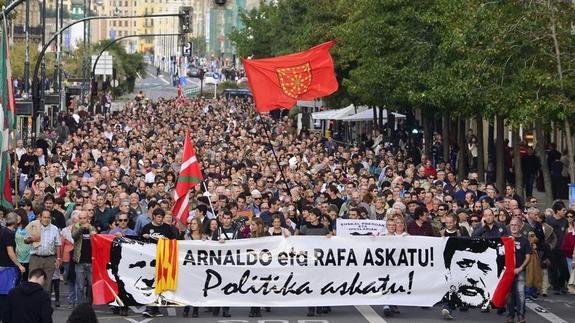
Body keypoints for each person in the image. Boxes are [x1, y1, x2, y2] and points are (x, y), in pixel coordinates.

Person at [441, 237, 506, 317]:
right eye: (464, 265)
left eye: (484, 268)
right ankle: (449, 306)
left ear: (499, 275)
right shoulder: (431, 299)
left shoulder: (502, 305)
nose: (473, 278)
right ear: (448, 272)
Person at [299, 208, 331, 317]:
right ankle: (311, 307)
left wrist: (329, 237)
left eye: (312, 215)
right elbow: (300, 242)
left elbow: (329, 243)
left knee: (320, 283)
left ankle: (320, 305)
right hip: (309, 260)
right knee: (310, 284)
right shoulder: (304, 228)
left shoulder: (324, 228)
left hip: (320, 261)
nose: (310, 217)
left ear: (317, 217)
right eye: (310, 215)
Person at [24, 209, 62, 292]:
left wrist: (58, 259)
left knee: (47, 283)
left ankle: (45, 303)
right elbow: (25, 240)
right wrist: (31, 239)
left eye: (48, 217)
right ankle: (32, 303)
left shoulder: (54, 228)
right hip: (36, 258)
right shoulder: (34, 226)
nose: (46, 219)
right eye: (44, 217)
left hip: (50, 258)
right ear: (40, 217)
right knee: (33, 281)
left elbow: (58, 244)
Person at [0, 213, 27, 322]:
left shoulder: (2, 231)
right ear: (15, 221)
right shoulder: (9, 233)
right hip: (7, 269)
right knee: (6, 295)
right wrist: (19, 265)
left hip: (3, 267)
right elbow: (10, 252)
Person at [506, 217, 532, 323]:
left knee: (521, 294)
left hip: (520, 271)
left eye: (516, 225)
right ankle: (510, 316)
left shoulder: (524, 241)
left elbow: (528, 256)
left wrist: (521, 268)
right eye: (511, 225)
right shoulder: (506, 239)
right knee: (509, 295)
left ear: (520, 226)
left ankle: (521, 316)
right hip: (508, 272)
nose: (513, 227)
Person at [71, 210, 97, 305]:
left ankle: (89, 304)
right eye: (80, 218)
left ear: (88, 219)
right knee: (80, 286)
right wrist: (81, 228)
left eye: (84, 218)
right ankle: (80, 305)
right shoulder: (76, 227)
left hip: (90, 261)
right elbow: (74, 236)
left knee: (91, 285)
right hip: (79, 261)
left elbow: (96, 241)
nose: (82, 220)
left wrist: (93, 235)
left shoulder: (92, 228)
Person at [182, 217, 205, 317]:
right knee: (187, 289)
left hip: (200, 267)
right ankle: (186, 308)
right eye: (191, 223)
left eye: (194, 223)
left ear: (199, 225)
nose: (192, 225)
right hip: (189, 266)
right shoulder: (186, 237)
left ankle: (196, 309)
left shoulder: (204, 237)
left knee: (197, 289)